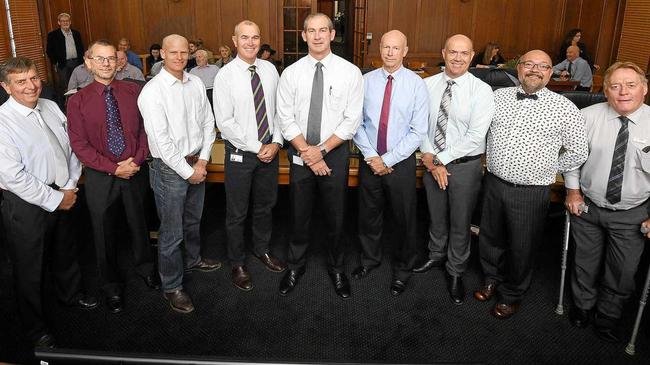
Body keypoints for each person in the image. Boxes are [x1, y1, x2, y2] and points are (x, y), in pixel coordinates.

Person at [474, 50, 588, 319]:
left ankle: (511, 294)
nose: (535, 70)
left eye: (543, 66)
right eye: (529, 64)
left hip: (531, 191)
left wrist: (548, 168)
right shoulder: (496, 98)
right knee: (490, 237)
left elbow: (578, 151)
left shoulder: (564, 108)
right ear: (519, 68)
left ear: (550, 72)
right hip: (493, 183)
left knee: (522, 246)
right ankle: (491, 279)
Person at [0, 56, 97, 349]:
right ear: (6, 87)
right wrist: (56, 199)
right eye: (21, 82)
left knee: (65, 250)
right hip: (27, 204)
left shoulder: (51, 106)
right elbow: (13, 177)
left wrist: (68, 187)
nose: (31, 86)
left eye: (33, 78)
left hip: (64, 191)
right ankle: (35, 327)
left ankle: (70, 294)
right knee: (29, 267)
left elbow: (70, 148)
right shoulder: (3, 122)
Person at [67, 40, 159, 314]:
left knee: (139, 223)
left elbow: (145, 131)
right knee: (103, 232)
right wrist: (113, 167)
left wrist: (137, 159)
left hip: (134, 169)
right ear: (88, 62)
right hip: (101, 176)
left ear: (118, 62)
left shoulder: (133, 91)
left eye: (110, 58)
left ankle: (146, 268)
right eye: (100, 59)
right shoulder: (76, 101)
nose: (106, 63)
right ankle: (111, 286)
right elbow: (79, 144)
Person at [276, 13, 364, 299]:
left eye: (322, 30)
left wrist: (321, 151)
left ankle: (337, 269)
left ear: (331, 33)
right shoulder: (291, 73)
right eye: (311, 31)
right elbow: (285, 118)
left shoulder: (350, 72)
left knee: (336, 217)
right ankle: (295, 266)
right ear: (303, 36)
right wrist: (308, 153)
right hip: (301, 153)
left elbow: (351, 121)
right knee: (298, 215)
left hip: (334, 154)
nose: (317, 36)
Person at [564, 61, 650, 342]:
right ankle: (583, 306)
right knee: (584, 263)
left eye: (630, 85)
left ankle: (608, 314)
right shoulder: (586, 116)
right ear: (605, 91)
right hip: (587, 207)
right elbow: (572, 160)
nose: (623, 91)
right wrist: (573, 191)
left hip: (633, 214)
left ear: (644, 89)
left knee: (623, 271)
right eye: (615, 86)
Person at [138, 34, 219, 314]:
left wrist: (203, 161)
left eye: (184, 52)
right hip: (170, 170)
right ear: (162, 53)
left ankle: (193, 260)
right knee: (171, 232)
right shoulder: (152, 92)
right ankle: (171, 285)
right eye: (173, 52)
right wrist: (189, 171)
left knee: (193, 220)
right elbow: (161, 142)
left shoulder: (196, 82)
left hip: (197, 162)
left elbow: (209, 123)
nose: (179, 57)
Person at [414, 34, 495, 305]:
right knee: (436, 216)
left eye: (464, 53)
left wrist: (440, 160)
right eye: (452, 52)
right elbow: (420, 125)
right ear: (443, 52)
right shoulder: (426, 85)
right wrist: (429, 157)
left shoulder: (481, 90)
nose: (458, 58)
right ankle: (436, 255)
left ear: (472, 56)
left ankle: (455, 271)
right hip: (430, 162)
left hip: (463, 167)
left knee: (460, 222)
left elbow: (475, 136)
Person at [352, 30, 428, 296]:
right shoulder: (366, 81)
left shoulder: (417, 84)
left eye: (396, 48)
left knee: (404, 218)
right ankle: (369, 260)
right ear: (380, 49)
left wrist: (387, 160)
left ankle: (403, 269)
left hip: (400, 162)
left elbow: (418, 132)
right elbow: (357, 124)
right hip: (370, 159)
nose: (390, 52)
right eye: (386, 47)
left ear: (405, 51)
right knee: (368, 216)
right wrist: (372, 158)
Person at [212, 20, 286, 291]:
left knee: (265, 206)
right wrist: (259, 147)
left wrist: (276, 142)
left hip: (271, 150)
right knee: (237, 212)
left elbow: (279, 111)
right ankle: (237, 262)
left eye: (255, 37)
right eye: (245, 38)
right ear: (235, 40)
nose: (251, 43)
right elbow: (226, 123)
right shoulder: (225, 76)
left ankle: (262, 249)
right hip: (242, 155)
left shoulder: (269, 70)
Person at [46, 13, 84, 98]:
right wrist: (56, 62)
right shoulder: (53, 35)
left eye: (67, 21)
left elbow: (81, 48)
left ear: (70, 22)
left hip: (77, 63)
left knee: (78, 84)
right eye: (63, 21)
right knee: (65, 86)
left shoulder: (76, 33)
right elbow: (49, 51)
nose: (65, 23)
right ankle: (66, 105)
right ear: (59, 23)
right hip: (63, 64)